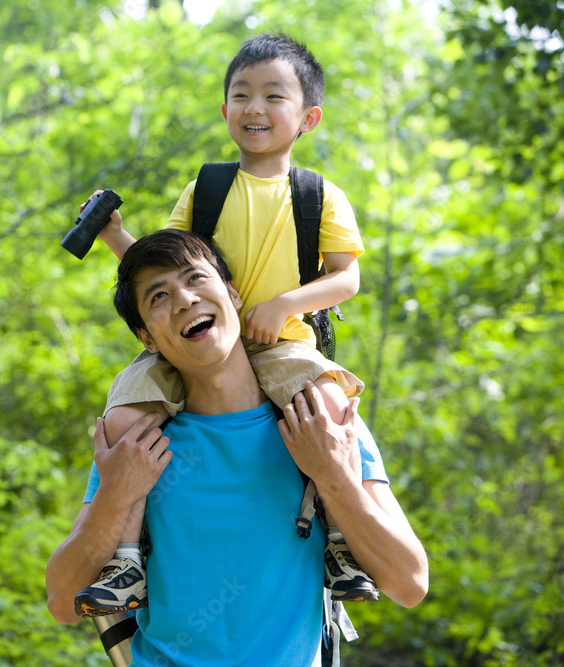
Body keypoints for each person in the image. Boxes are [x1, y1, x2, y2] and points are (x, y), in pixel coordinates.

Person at [77, 32, 373, 613]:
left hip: (282, 343)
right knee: (125, 414)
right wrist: (115, 236)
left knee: (331, 408)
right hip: (197, 343)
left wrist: (284, 305)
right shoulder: (206, 188)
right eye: (241, 95)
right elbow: (165, 270)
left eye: (273, 96)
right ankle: (125, 562)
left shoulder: (320, 196)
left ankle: (341, 544)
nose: (254, 108)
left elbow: (346, 279)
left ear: (308, 116)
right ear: (225, 111)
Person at [46, 229, 428, 665]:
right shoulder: (138, 442)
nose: (185, 300)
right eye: (158, 297)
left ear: (232, 293)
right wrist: (115, 493)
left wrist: (332, 475)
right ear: (146, 338)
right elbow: (62, 601)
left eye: (195, 279)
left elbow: (409, 583)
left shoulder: (323, 426)